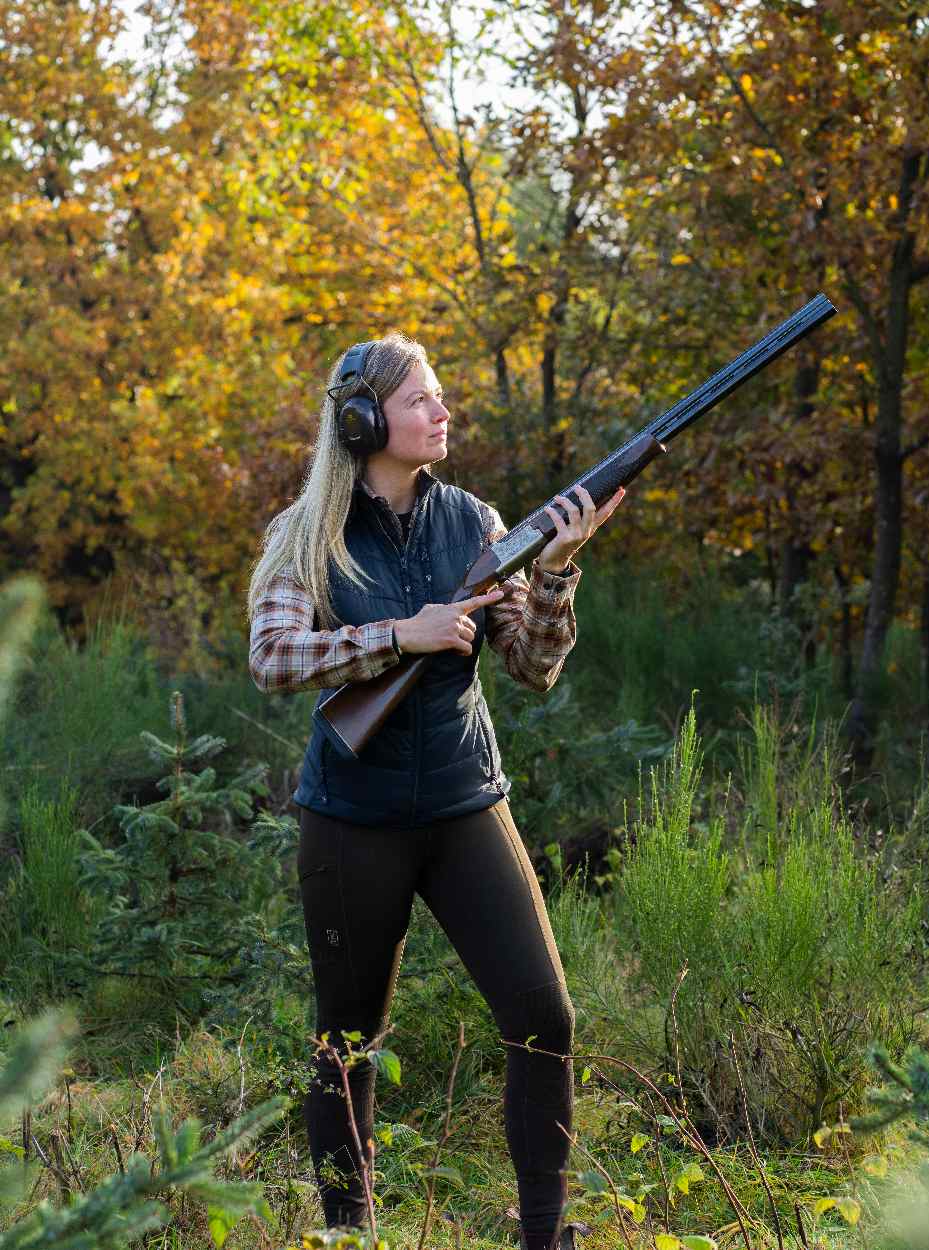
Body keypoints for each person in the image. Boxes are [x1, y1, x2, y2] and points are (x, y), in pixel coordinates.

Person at [245, 331, 625, 1250]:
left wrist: (557, 572)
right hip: (353, 821)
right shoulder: (308, 536)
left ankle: (543, 1234)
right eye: (422, 400)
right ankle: (351, 1235)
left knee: (543, 1014)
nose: (443, 411)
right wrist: (395, 636)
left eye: (441, 396)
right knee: (347, 1042)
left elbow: (532, 668)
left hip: (465, 803)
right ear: (365, 421)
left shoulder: (475, 521)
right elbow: (273, 658)